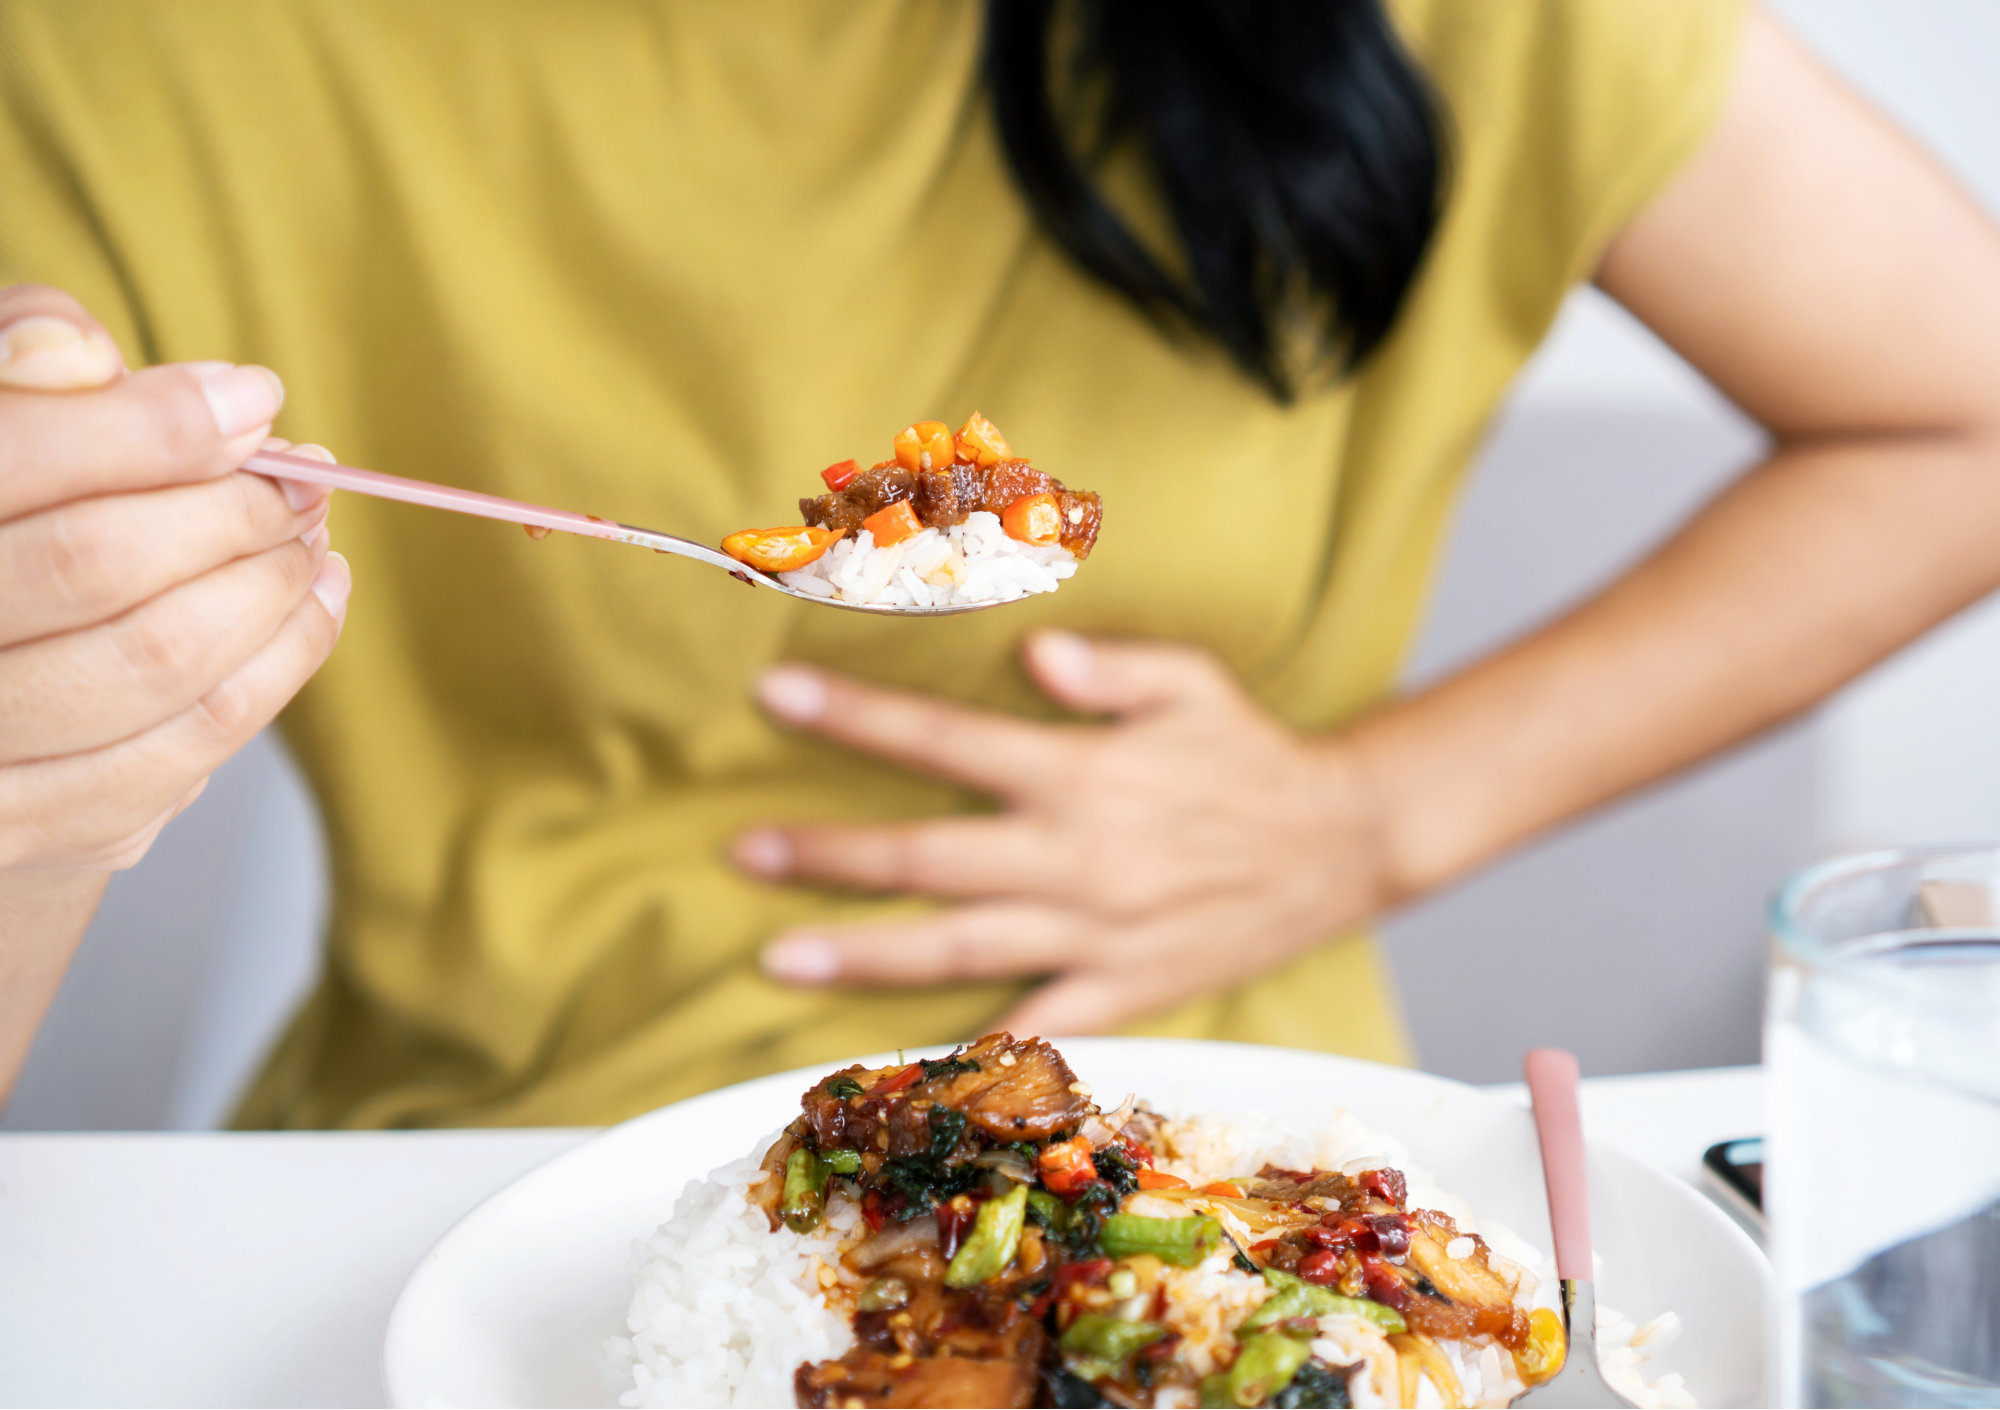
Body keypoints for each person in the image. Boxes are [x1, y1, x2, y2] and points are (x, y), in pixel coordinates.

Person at [3, 1, 1999, 1126]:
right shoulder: (125, 53)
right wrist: (37, 772)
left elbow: (1963, 415)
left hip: (1219, 1137)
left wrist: (1375, 815)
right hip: (460, 1169)